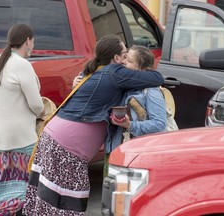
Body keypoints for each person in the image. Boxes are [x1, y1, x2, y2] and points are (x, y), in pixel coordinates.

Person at [23, 34, 164, 216]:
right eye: (124, 55)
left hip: (58, 141)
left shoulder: (99, 71)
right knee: (64, 203)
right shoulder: (115, 72)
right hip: (65, 147)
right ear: (116, 58)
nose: (125, 60)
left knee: (54, 203)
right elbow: (157, 77)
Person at [0, 24, 45, 216]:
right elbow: (37, 106)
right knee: (26, 191)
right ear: (27, 41)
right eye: (33, 41)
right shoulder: (23, 65)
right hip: (20, 140)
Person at [106, 45, 167, 175]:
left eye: (129, 61)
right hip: (117, 151)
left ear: (143, 70)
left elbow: (160, 123)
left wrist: (130, 125)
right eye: (125, 58)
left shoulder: (151, 91)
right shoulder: (124, 84)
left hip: (137, 155)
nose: (123, 62)